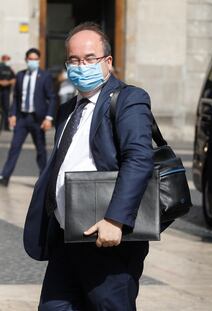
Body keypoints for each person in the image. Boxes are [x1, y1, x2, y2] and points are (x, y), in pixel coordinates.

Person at [23, 22, 153, 310]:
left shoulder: (129, 99)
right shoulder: (68, 108)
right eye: (74, 60)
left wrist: (115, 219)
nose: (81, 66)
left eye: (89, 59)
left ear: (107, 62)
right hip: (65, 238)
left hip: (106, 240)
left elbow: (139, 158)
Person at [0, 49, 56, 186]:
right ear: (26, 60)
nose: (33, 61)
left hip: (38, 119)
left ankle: (43, 179)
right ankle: (5, 176)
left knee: (41, 150)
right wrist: (12, 114)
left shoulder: (45, 76)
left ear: (39, 60)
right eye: (31, 59)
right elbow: (16, 97)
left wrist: (49, 118)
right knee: (14, 147)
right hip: (22, 119)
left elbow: (52, 98)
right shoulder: (20, 76)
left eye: (36, 59)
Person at [0, 54, 16, 131]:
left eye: (8, 59)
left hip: (6, 91)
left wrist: (8, 82)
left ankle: (6, 126)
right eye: (5, 59)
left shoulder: (10, 69)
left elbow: (14, 79)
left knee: (6, 108)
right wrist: (1, 82)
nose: (7, 61)